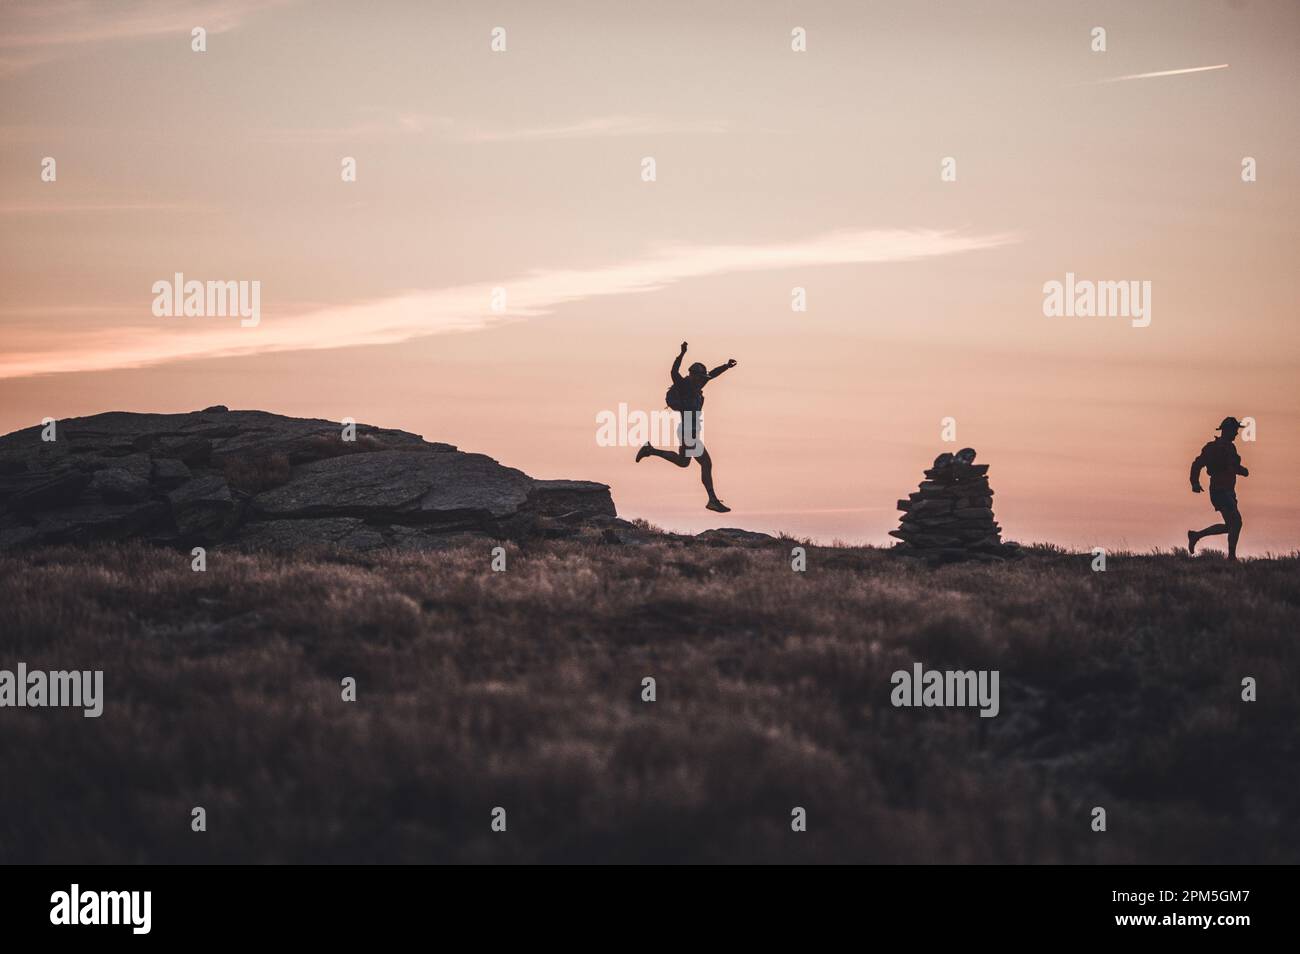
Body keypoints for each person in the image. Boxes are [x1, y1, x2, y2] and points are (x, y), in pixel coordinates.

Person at [636, 341, 737, 512]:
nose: (703, 380)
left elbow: (712, 374)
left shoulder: (698, 385)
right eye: (700, 377)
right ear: (692, 376)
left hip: (688, 431)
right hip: (688, 432)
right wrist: (682, 354)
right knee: (706, 463)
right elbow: (673, 372)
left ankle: (650, 450)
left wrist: (726, 366)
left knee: (683, 462)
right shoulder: (684, 385)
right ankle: (712, 499)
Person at [1188, 417, 1250, 561]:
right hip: (1219, 491)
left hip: (1229, 491)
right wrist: (1195, 483)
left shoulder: (1231, 448)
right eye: (1234, 430)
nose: (1236, 434)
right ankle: (1232, 557)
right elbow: (1197, 464)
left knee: (1232, 525)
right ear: (1227, 430)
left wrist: (1243, 471)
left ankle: (1196, 535)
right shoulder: (1212, 448)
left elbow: (1232, 467)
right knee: (1236, 522)